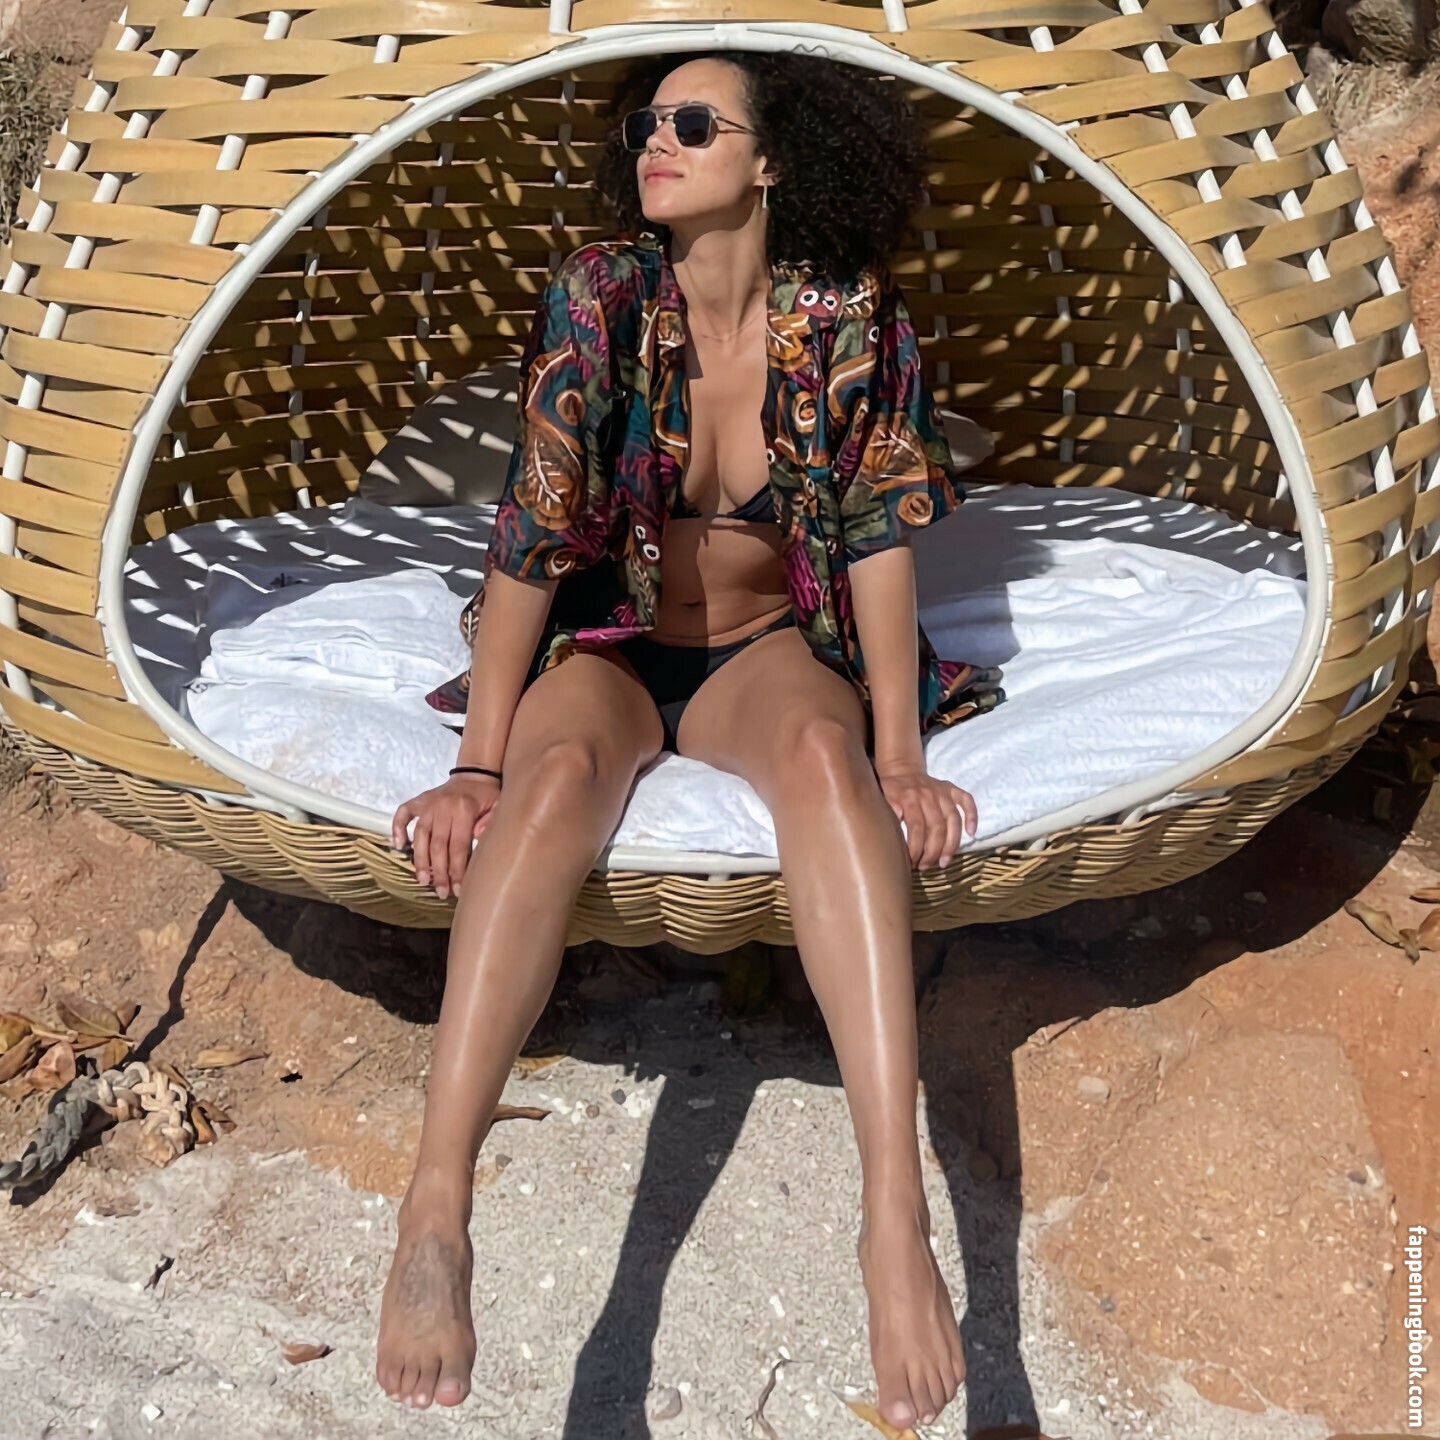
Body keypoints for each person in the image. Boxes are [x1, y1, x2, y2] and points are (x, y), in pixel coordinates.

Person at [374, 48, 1005, 1431]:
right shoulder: (600, 298)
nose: (657, 140)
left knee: (829, 769)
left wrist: (901, 753)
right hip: (611, 641)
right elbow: (533, 534)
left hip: (762, 649)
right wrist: (476, 762)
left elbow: (879, 543)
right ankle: (436, 1209)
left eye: (696, 123)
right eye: (649, 122)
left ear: (771, 161)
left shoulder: (847, 318)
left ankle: (893, 1219)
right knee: (548, 784)